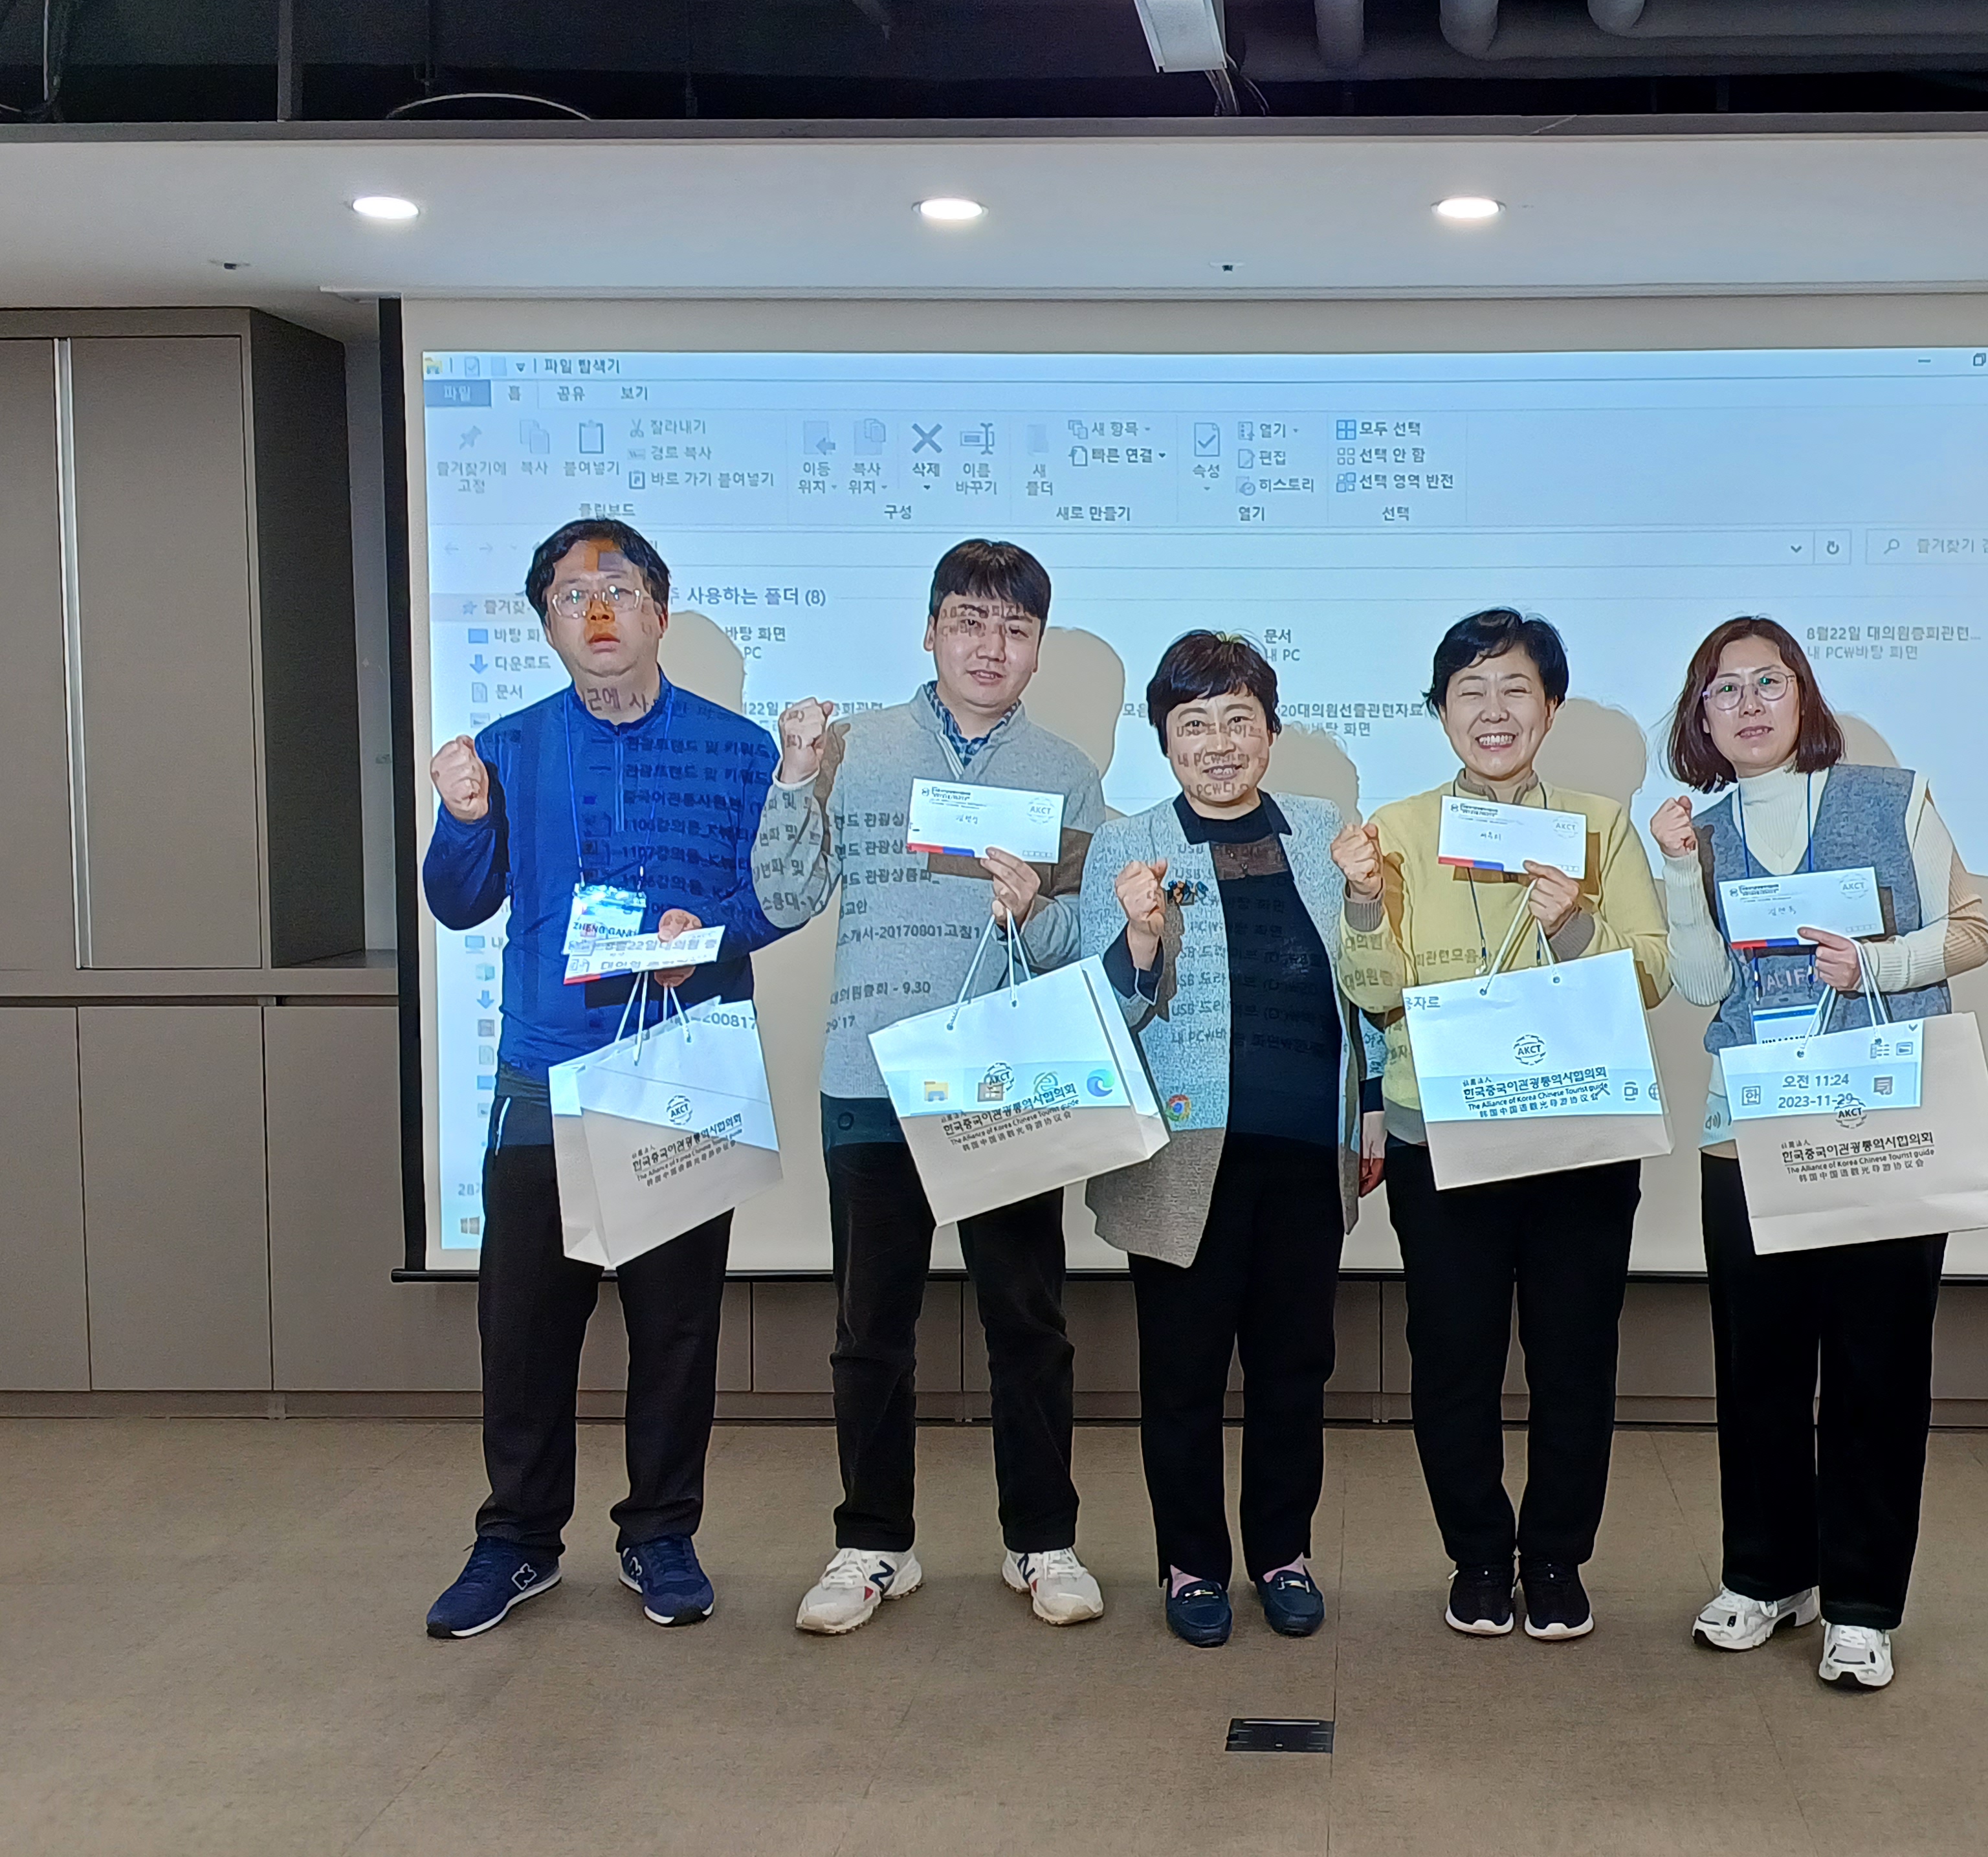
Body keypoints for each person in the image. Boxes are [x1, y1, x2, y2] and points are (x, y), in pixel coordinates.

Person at [420, 518, 793, 1638]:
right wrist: (463, 818)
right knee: (524, 1331)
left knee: (676, 1329)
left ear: (658, 613)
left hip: (682, 1067)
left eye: (618, 590)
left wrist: (709, 934)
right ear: (546, 625)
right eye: (570, 596)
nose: (595, 611)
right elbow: (459, 902)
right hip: (545, 1072)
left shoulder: (739, 751)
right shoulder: (509, 748)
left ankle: (661, 1534)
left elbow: (777, 896)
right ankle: (517, 1541)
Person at [755, 538, 1111, 1636]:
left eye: (1015, 628)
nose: (990, 646)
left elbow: (1075, 944)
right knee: (872, 1328)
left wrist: (1033, 911)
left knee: (1028, 1322)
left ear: (1038, 649)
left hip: (1005, 1078)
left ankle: (1042, 1540)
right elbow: (784, 897)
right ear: (929, 631)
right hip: (870, 1076)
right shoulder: (854, 748)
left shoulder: (1065, 772)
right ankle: (874, 1544)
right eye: (969, 620)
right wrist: (794, 776)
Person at [1650, 615, 1988, 1693]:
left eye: (1770, 681)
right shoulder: (1702, 832)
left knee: (1877, 1372)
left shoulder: (1893, 799)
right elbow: (1704, 986)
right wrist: (1677, 875)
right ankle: (1766, 1576)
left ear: (1803, 695)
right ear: (1702, 718)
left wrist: (1877, 965)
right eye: (1725, 689)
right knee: (1757, 1371)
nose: (1749, 704)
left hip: (1883, 1122)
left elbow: (1974, 931)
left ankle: (1860, 1604)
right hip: (1749, 1130)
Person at [1332, 608, 1668, 1643]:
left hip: (1579, 1136)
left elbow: (1653, 975)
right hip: (1441, 1136)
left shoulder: (1600, 825)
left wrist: (1576, 923)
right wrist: (1362, 902)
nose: (1493, 710)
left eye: (1515, 688)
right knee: (1454, 1360)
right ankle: (1478, 1556)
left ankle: (1556, 1558)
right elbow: (1372, 992)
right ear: (1441, 712)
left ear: (1550, 708)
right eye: (1469, 691)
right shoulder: (1395, 830)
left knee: (1575, 1359)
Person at [1077, 633, 1386, 1649]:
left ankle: (1282, 1554)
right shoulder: (1129, 846)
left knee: (1295, 1368)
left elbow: (1365, 980)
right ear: (1165, 739)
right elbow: (1104, 1015)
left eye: (1239, 721)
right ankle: (1192, 1565)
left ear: (1271, 731)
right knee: (1184, 1376)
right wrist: (1140, 939)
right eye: (1195, 724)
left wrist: (1371, 1103)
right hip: (1183, 1155)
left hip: (1304, 1147)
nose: (1218, 744)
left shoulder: (1323, 831)